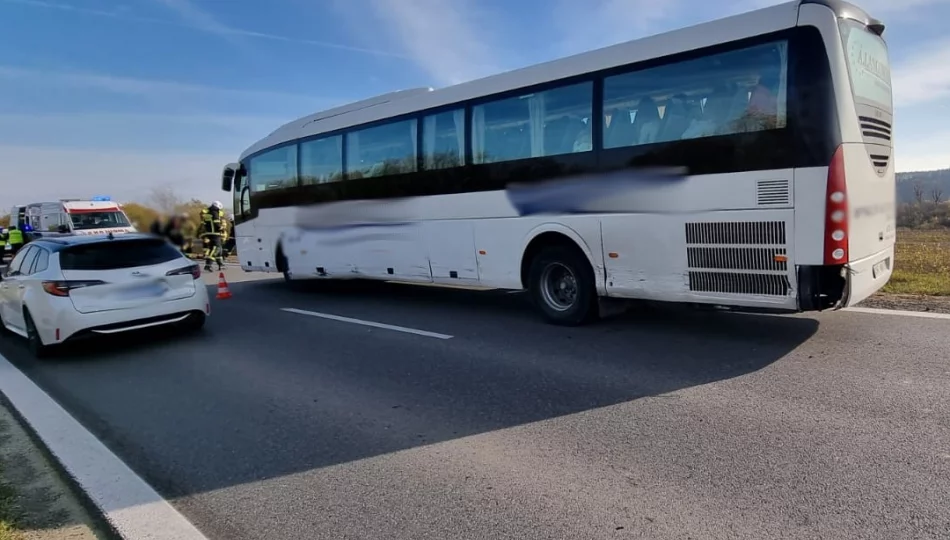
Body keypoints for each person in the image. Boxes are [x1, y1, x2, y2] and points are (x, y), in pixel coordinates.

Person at [199, 201, 225, 272]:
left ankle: (220, 264)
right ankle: (208, 265)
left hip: (209, 233)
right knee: (216, 249)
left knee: (218, 249)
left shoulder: (208, 212)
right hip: (215, 234)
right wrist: (221, 227)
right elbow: (217, 224)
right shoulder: (215, 212)